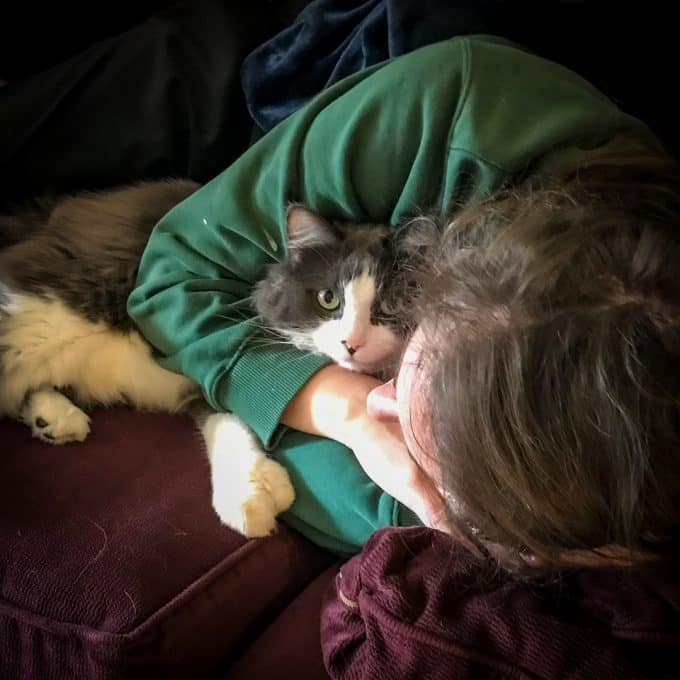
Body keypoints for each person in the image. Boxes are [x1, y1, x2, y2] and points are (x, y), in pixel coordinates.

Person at [319, 154, 680, 676]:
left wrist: (404, 570)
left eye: (445, 475)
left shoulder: (429, 623)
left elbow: (353, 628)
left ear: (524, 552)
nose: (374, 402)